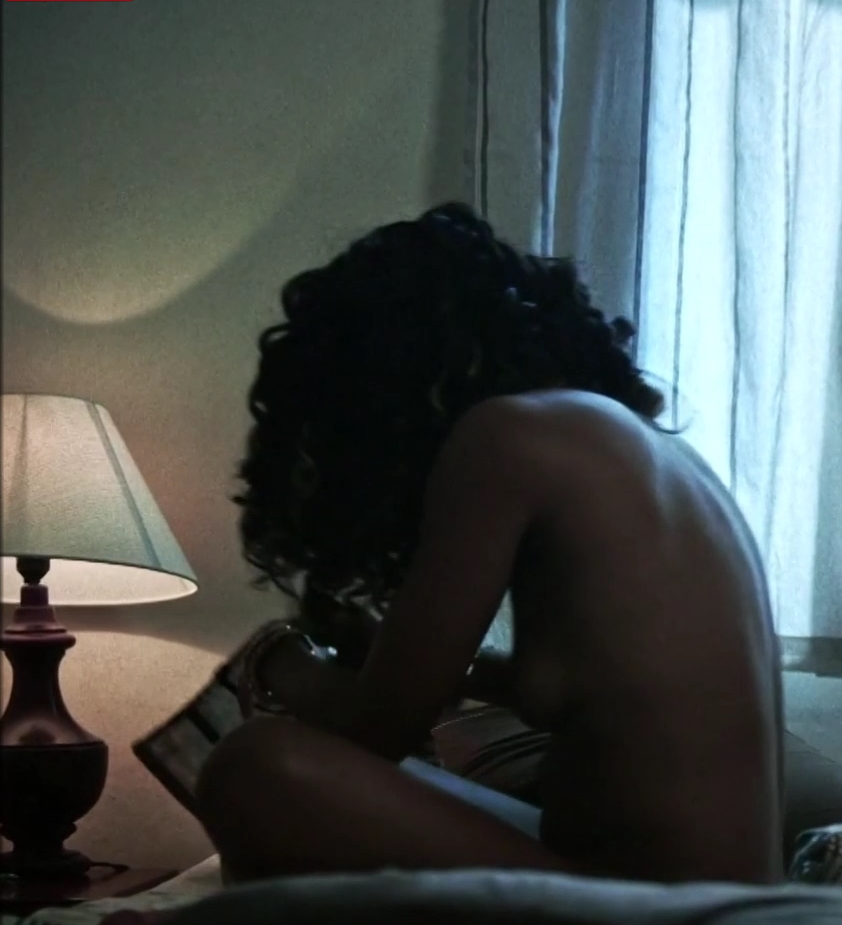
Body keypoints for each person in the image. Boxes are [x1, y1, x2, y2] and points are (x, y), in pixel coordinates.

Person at [195, 203, 786, 887]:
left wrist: (278, 663)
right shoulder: (642, 446)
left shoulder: (506, 436)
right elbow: (595, 690)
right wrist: (421, 660)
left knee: (254, 767)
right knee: (365, 783)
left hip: (666, 917)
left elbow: (375, 733)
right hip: (696, 899)